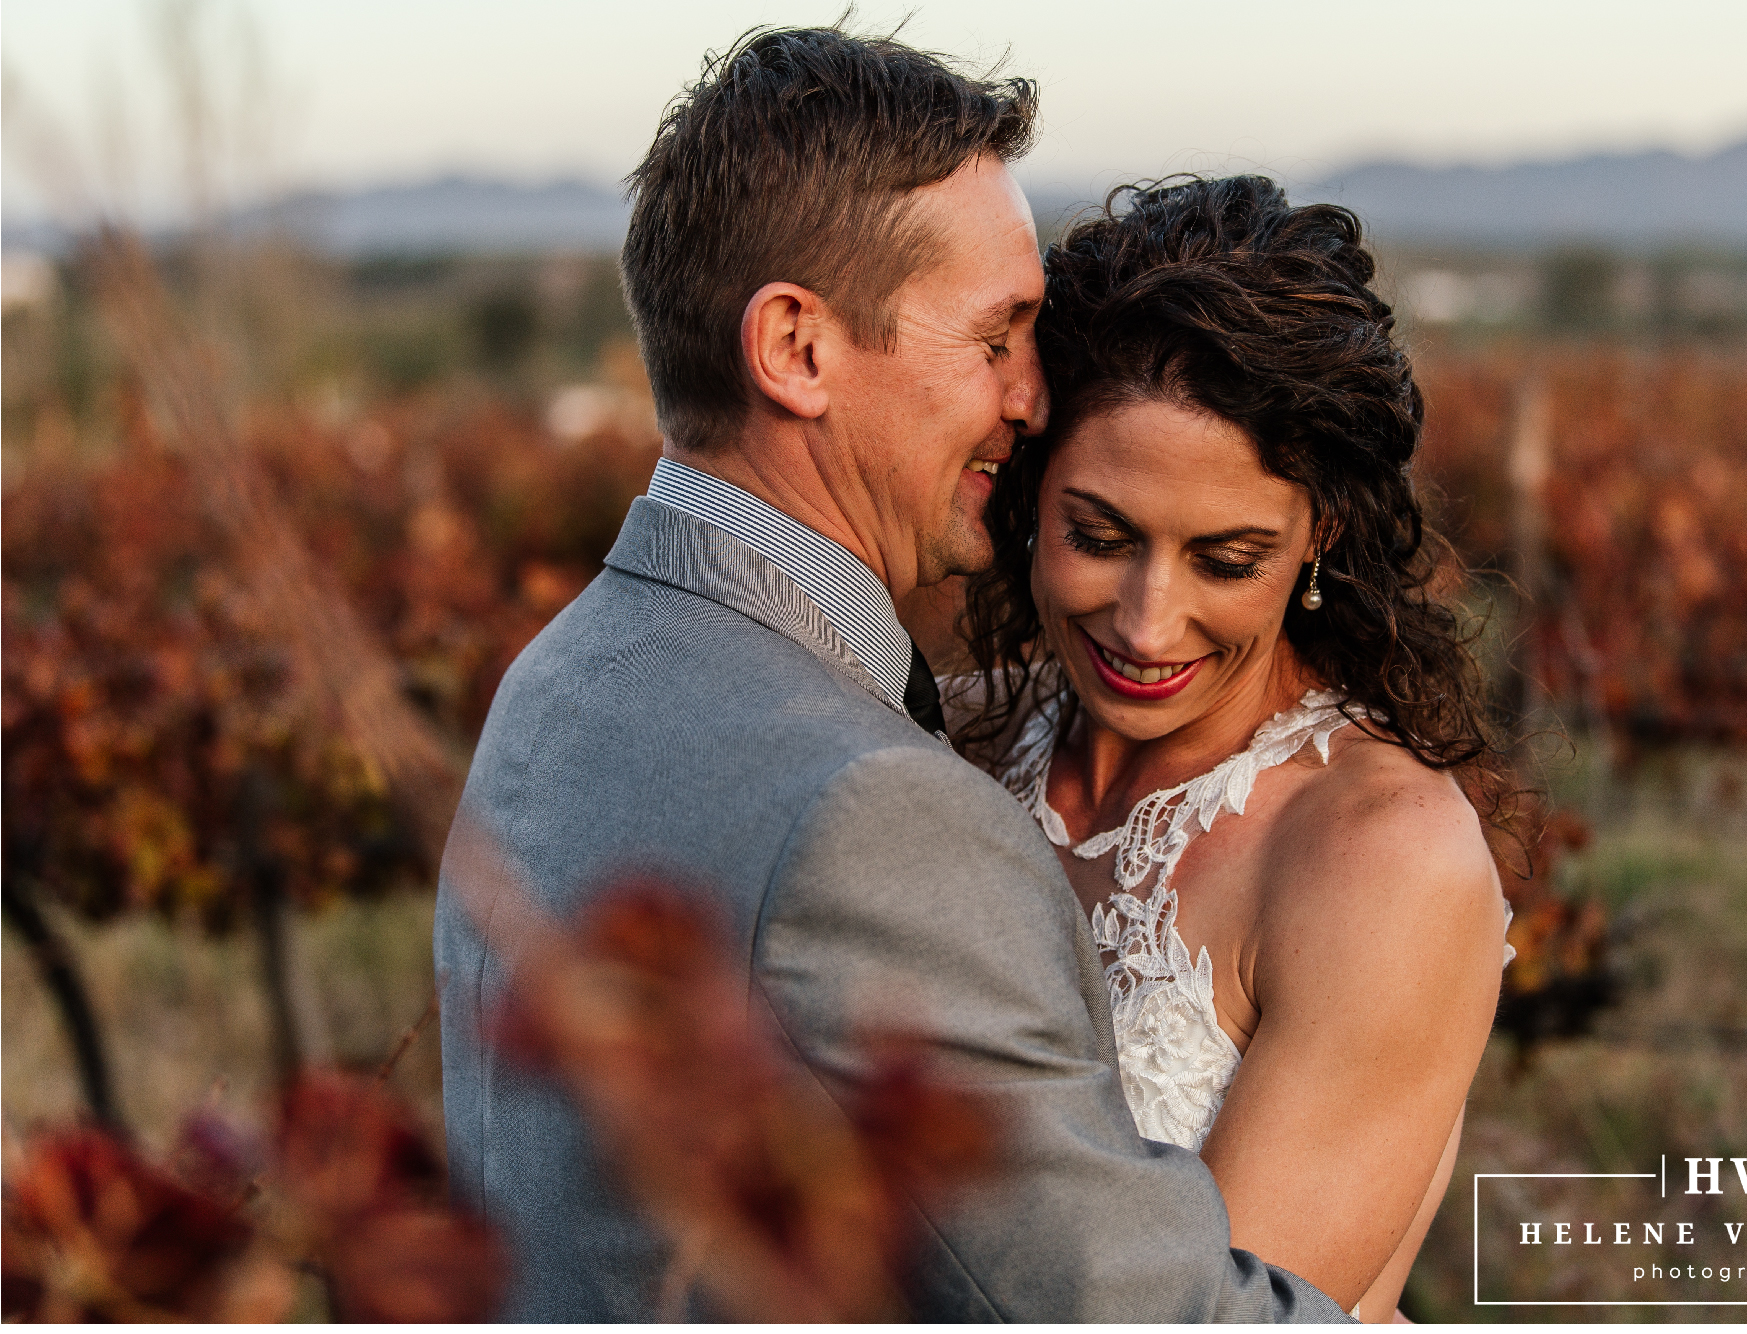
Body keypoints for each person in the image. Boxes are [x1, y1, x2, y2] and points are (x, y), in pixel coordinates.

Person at [433, 27, 1348, 1322]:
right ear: (796, 348)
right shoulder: (872, 807)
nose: (1035, 398)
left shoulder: (557, 677)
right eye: (997, 337)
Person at [950, 175, 1515, 1321]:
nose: (1147, 623)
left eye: (1226, 559)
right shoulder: (956, 738)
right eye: (1098, 535)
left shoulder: (1382, 857)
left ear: (1322, 534)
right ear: (1030, 492)